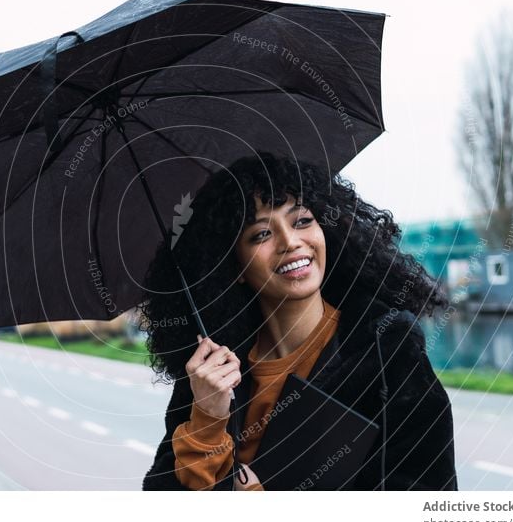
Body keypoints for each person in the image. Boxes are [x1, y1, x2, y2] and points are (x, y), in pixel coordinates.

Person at [139, 152, 457, 491]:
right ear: (235, 268)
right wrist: (208, 418)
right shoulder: (211, 373)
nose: (290, 241)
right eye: (261, 234)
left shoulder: (386, 350)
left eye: (302, 220)